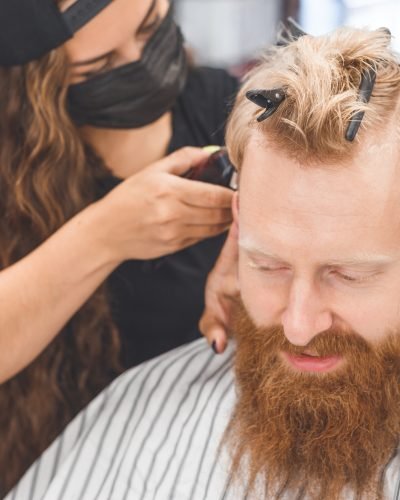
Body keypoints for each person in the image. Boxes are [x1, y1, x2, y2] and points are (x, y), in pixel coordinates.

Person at [8, 24, 400, 500]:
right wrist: (101, 236)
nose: (298, 326)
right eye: (267, 265)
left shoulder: (213, 100)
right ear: (238, 226)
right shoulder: (146, 416)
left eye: (348, 274)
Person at [0, 0, 238, 494]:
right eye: (99, 66)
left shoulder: (223, 110)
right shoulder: (13, 180)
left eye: (151, 29)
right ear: (33, 80)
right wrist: (104, 235)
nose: (139, 65)